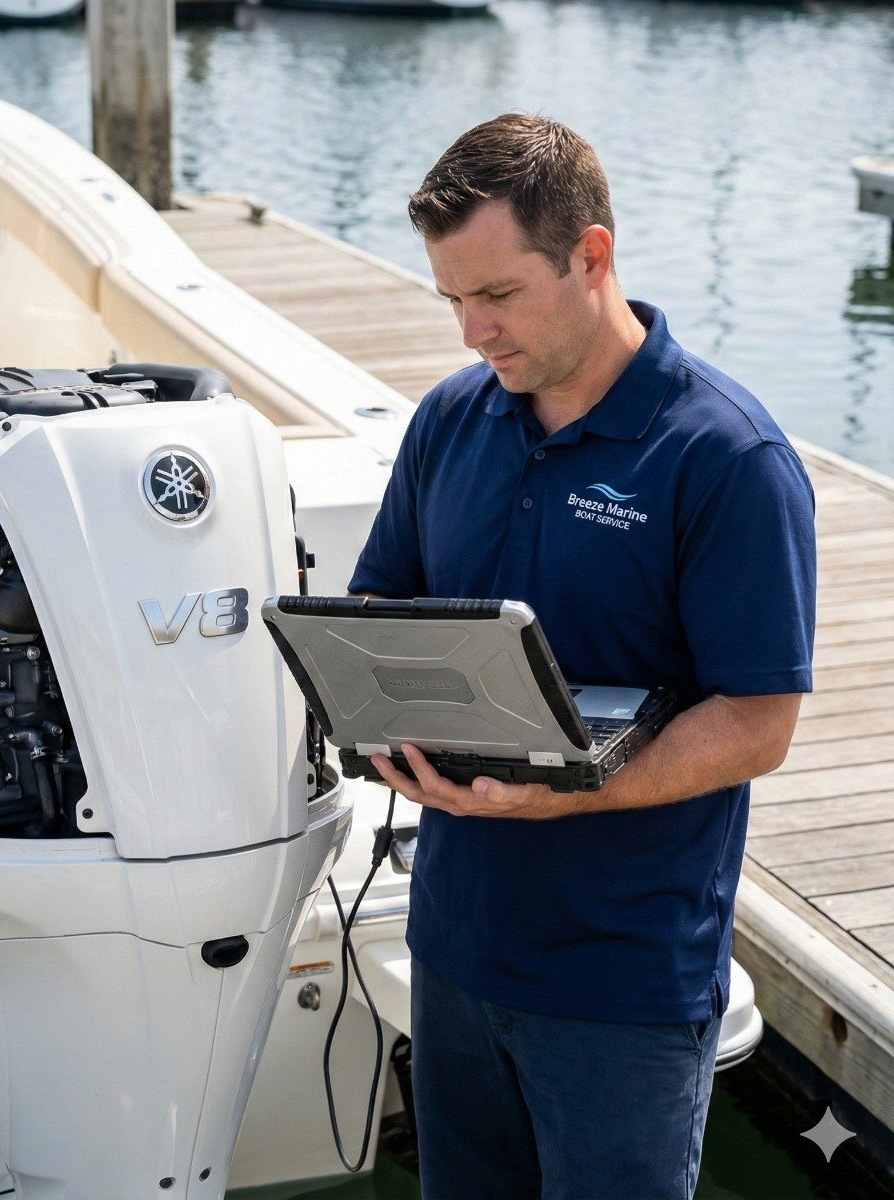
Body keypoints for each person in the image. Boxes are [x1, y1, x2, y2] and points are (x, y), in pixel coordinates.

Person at [347, 114, 816, 1200]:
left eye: (498, 296)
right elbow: (382, 602)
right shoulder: (449, 421)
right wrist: (370, 709)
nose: (472, 330)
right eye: (452, 299)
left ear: (590, 255)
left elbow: (760, 722)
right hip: (455, 952)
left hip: (623, 984)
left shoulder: (729, 458)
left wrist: (572, 797)